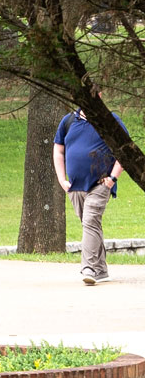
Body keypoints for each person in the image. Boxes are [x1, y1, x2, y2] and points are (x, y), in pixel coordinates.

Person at [55, 108, 130, 285]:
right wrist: (61, 179)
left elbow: (124, 150)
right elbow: (58, 151)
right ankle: (101, 270)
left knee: (90, 221)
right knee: (91, 225)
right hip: (75, 186)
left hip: (101, 183)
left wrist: (112, 178)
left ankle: (88, 268)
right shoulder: (68, 121)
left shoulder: (110, 120)